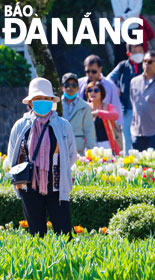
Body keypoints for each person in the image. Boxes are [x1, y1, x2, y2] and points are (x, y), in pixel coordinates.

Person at [7, 78, 77, 237]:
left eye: (46, 98)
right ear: (30, 102)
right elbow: (13, 154)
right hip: (28, 186)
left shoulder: (63, 125)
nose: (42, 102)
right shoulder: (21, 125)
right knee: (36, 235)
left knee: (64, 233)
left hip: (57, 186)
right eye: (38, 98)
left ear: (52, 101)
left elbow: (71, 155)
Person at [108, 43, 145, 153]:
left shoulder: (147, 64)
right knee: (127, 136)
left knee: (143, 135)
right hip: (127, 107)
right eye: (134, 51)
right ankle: (129, 160)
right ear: (128, 53)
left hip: (144, 108)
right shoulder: (123, 65)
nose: (138, 54)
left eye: (140, 51)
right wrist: (116, 87)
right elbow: (109, 79)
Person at [79, 55, 123, 126]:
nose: (90, 74)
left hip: (105, 126)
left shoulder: (109, 85)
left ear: (100, 69)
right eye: (87, 71)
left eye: (93, 71)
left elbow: (116, 108)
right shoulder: (79, 83)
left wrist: (118, 126)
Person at [60, 73, 96, 155]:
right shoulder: (56, 105)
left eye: (74, 85)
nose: (70, 87)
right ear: (62, 87)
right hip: (58, 149)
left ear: (78, 88)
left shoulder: (84, 106)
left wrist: (91, 153)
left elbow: (89, 130)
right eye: (67, 85)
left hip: (78, 151)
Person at [85, 80, 121, 154]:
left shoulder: (108, 107)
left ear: (102, 93)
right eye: (90, 90)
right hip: (88, 146)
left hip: (106, 145)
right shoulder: (84, 108)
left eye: (96, 90)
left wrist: (98, 113)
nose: (92, 93)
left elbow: (115, 115)